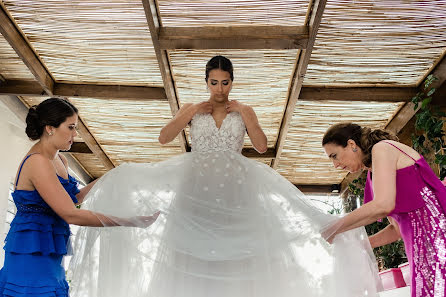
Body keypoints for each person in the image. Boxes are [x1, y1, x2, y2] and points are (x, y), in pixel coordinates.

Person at [68, 56, 382, 297]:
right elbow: (164, 138)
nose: (220, 89)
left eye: (225, 82)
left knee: (240, 253)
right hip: (195, 187)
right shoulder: (193, 108)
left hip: (235, 188)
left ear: (232, 82)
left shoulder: (243, 110)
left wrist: (246, 115)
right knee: (191, 252)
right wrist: (190, 113)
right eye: (214, 82)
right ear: (206, 81)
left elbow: (260, 147)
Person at [0, 98, 159, 297]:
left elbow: (73, 198)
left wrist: (110, 176)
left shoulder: (59, 159)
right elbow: (70, 214)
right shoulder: (37, 162)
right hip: (30, 254)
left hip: (50, 254)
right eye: (71, 127)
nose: (75, 134)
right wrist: (128, 221)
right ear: (50, 128)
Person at [322, 122, 446, 297]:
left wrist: (334, 227)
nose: (335, 165)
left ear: (351, 144)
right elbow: (396, 230)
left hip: (438, 240)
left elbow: (382, 205)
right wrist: (361, 245)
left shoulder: (382, 149)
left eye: (335, 156)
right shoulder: (373, 174)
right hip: (422, 250)